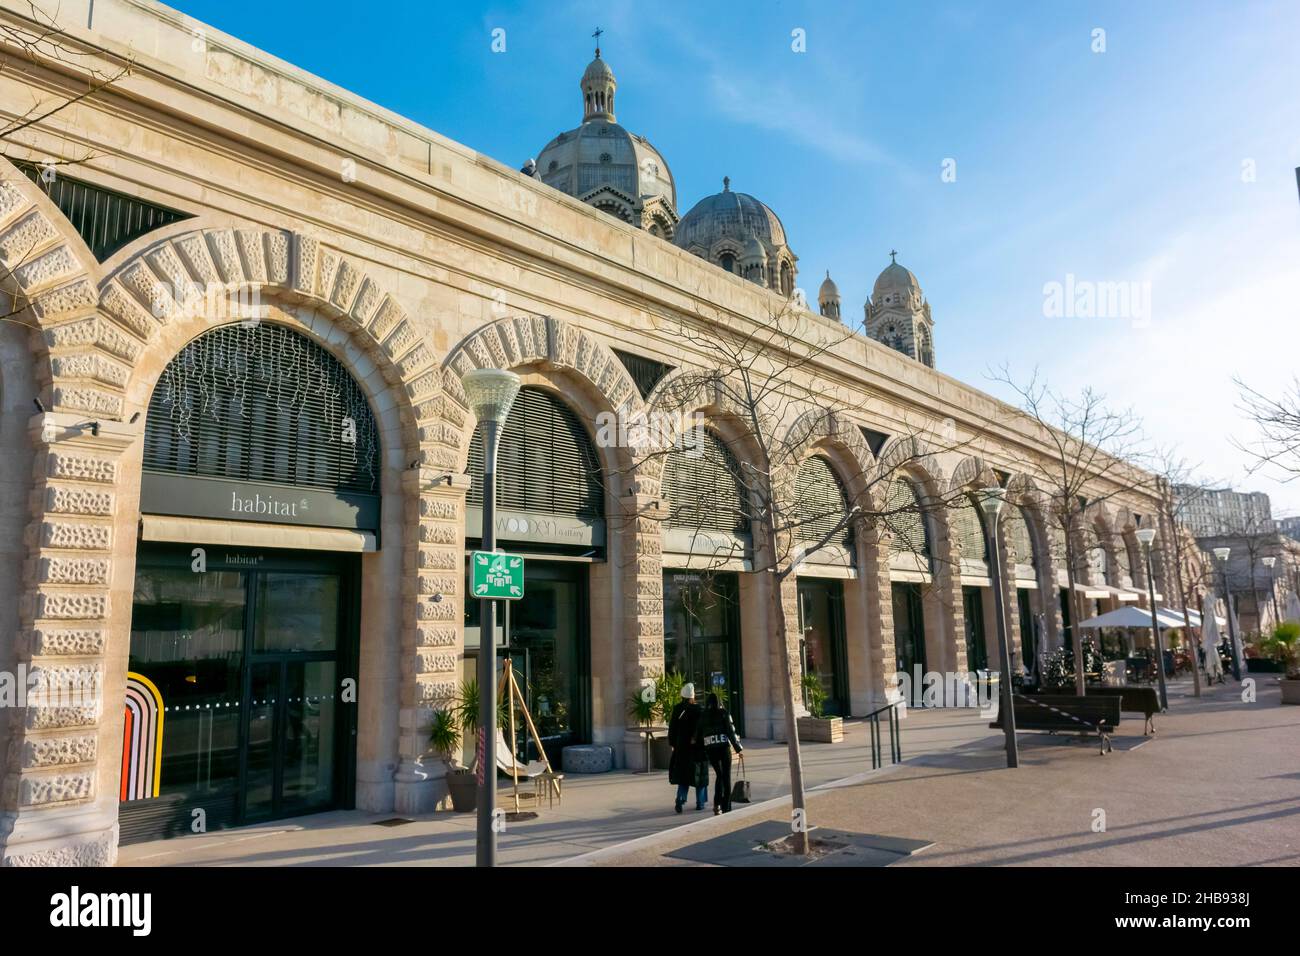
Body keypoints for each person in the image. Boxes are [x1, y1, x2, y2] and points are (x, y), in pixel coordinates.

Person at [696, 691, 743, 815]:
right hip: (723, 748)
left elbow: (698, 735)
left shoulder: (703, 715)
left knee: (719, 775)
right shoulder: (724, 713)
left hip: (711, 750)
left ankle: (717, 804)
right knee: (726, 776)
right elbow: (730, 732)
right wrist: (738, 749)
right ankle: (726, 806)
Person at [667, 682, 707, 813]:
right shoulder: (699, 710)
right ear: (693, 696)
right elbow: (703, 730)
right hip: (697, 749)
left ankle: (680, 799)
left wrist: (673, 744)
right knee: (700, 777)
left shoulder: (678, 709)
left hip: (681, 748)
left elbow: (672, 728)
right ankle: (700, 803)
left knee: (683, 776)